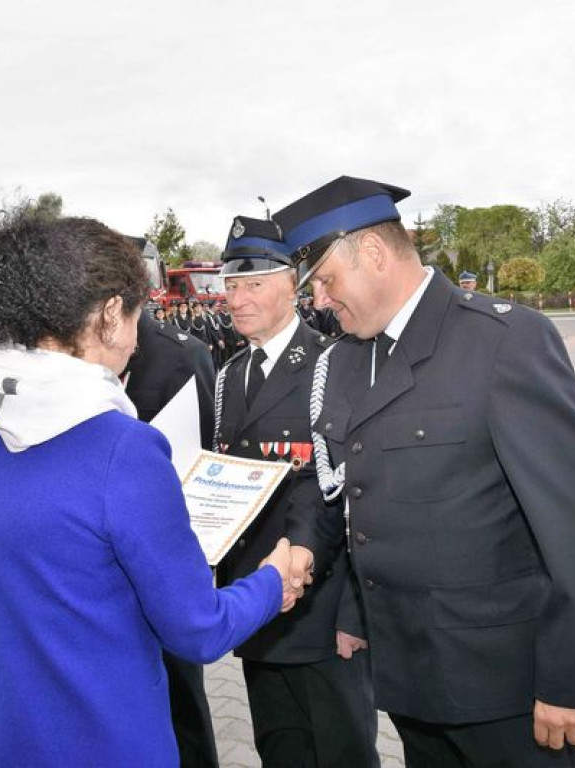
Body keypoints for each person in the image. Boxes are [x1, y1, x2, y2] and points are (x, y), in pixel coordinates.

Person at [0, 210, 298, 768]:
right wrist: (273, 582)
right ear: (110, 314)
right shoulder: (124, 449)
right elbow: (197, 630)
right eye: (139, 315)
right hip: (99, 736)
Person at [274, 175, 575, 768]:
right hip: (410, 672)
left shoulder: (504, 340)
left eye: (326, 281)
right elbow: (361, 496)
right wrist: (356, 611)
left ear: (376, 255)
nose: (320, 301)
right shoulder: (355, 357)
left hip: (506, 686)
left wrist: (572, 677)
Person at [215, 216, 379, 767]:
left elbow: (352, 495)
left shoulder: (334, 362)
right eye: (231, 285)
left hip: (321, 606)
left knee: (340, 752)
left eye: (254, 283)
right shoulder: (229, 374)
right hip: (258, 603)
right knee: (279, 749)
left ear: (293, 283)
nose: (237, 299)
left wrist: (355, 612)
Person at [125, 302, 220, 768]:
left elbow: (199, 455)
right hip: (107, 555)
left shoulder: (179, 354)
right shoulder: (81, 347)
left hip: (164, 550)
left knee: (180, 691)